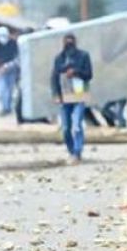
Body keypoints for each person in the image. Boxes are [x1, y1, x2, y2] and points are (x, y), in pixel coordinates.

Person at [51, 34, 92, 164]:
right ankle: (71, 151)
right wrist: (56, 94)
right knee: (66, 128)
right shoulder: (59, 58)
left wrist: (75, 72)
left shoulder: (84, 56)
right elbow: (54, 77)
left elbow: (89, 75)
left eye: (71, 42)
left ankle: (77, 152)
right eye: (66, 42)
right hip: (65, 96)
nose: (69, 45)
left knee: (77, 126)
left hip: (79, 95)